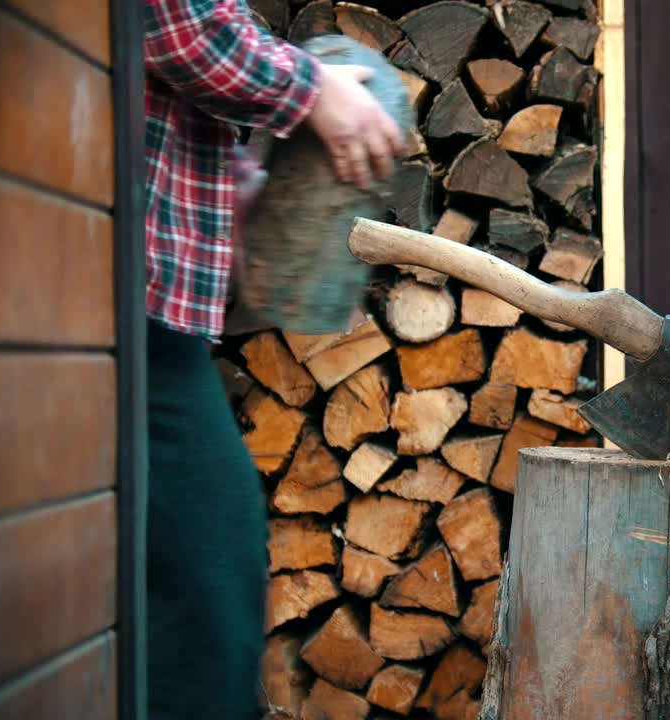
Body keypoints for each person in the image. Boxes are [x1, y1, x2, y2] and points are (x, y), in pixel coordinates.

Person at [142, 2, 404, 717]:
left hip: (152, 315)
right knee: (209, 597)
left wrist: (234, 178)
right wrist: (314, 90)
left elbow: (151, 104)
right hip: (125, 317)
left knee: (173, 597)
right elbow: (178, 25)